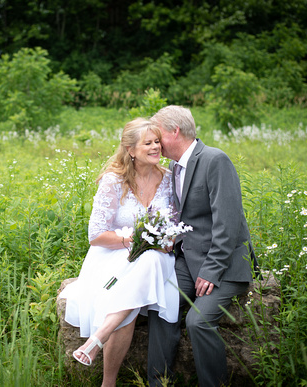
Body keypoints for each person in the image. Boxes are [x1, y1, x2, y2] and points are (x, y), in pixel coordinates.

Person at [59, 117, 180, 386]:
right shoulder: (114, 181)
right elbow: (96, 236)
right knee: (129, 299)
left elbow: (173, 226)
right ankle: (109, 381)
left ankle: (99, 345)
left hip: (157, 257)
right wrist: (136, 239)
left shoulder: (170, 179)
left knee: (150, 259)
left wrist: (162, 241)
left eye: (157, 141)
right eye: (147, 143)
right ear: (130, 150)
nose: (155, 147)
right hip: (113, 255)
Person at [146, 105, 257, 387]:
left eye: (158, 136)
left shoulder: (214, 160)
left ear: (175, 131)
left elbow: (228, 223)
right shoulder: (174, 167)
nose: (156, 143)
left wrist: (211, 270)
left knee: (199, 322)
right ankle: (159, 383)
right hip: (189, 260)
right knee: (161, 306)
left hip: (226, 265)